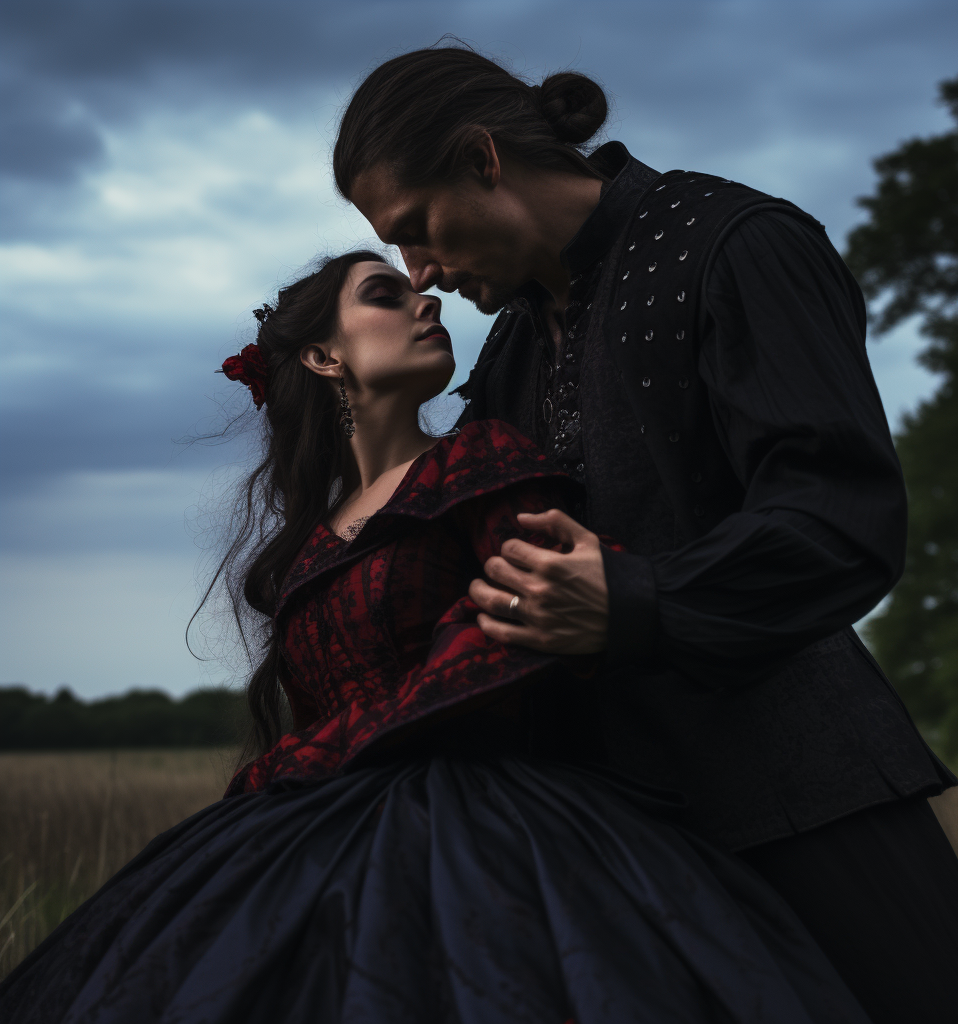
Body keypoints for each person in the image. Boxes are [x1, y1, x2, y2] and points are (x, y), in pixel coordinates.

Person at [0, 251, 877, 1022]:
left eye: (419, 292)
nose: (428, 302)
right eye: (385, 294)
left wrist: (320, 757)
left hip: (500, 831)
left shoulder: (482, 458)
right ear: (322, 355)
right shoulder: (309, 542)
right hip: (316, 838)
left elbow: (521, 619)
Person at [332, 47, 958, 1022]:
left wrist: (638, 599)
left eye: (416, 232)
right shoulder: (516, 346)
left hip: (802, 798)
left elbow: (842, 516)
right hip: (618, 847)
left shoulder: (734, 243)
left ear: (482, 158)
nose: (422, 272)